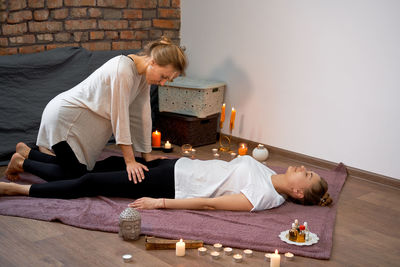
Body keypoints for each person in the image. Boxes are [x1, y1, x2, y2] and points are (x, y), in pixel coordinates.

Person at [5, 36, 187, 184]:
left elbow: (141, 115)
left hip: (76, 119)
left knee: (81, 170)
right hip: (65, 118)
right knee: (76, 176)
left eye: (168, 80)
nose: (163, 83)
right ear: (153, 62)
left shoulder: (142, 76)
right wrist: (130, 161)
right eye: (164, 77)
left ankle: (27, 153)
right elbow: (120, 117)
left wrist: (147, 156)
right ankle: (22, 163)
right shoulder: (122, 70)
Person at [1, 153, 332, 212]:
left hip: (169, 184)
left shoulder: (261, 196)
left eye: (308, 174)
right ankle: (27, 160)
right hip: (177, 165)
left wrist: (160, 203)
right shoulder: (267, 173)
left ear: (298, 191)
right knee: (109, 163)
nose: (303, 168)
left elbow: (210, 203)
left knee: (90, 180)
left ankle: (19, 189)